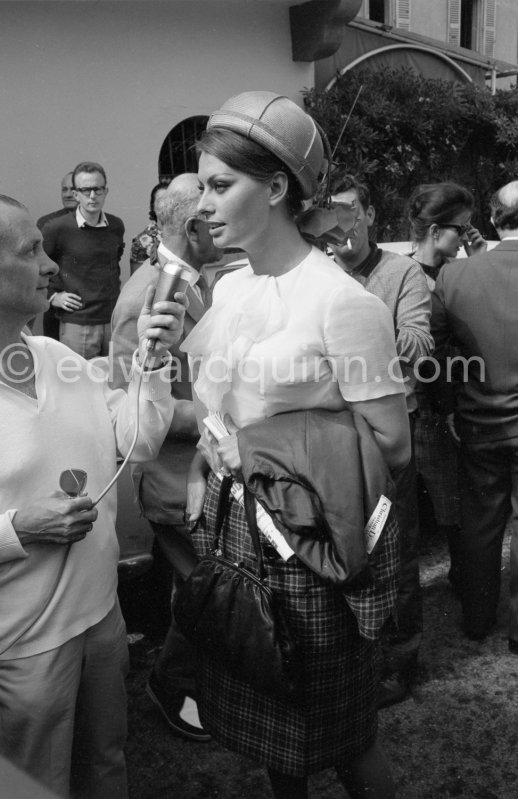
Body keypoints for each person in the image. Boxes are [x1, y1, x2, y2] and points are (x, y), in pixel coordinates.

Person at [181, 91, 411, 799]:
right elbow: (214, 408)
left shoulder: (343, 303)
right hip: (234, 535)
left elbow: (392, 444)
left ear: (277, 186)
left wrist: (256, 453)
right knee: (271, 727)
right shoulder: (228, 290)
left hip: (309, 545)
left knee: (343, 737)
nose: (203, 205)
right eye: (203, 187)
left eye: (222, 185)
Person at [0, 193, 186, 798]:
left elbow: (135, 440)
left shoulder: (58, 357)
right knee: (38, 783)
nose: (51, 266)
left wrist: (153, 362)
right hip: (22, 650)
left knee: (106, 764)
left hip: (102, 619)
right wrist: (17, 529)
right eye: (31, 250)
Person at [110, 172, 224, 742]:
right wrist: (228, 417)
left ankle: (189, 681)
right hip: (175, 481)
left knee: (205, 591)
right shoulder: (147, 296)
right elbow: (134, 406)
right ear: (194, 226)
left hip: (202, 476)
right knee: (206, 595)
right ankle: (172, 684)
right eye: (215, 212)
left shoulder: (193, 280)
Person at [325, 174, 433, 708]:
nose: (341, 223)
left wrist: (359, 318)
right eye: (332, 213)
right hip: (331, 432)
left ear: (369, 215)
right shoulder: (316, 272)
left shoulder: (401, 272)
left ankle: (400, 659)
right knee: (344, 543)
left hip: (388, 432)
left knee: (396, 546)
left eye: (350, 210)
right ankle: (353, 652)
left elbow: (419, 344)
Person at [429, 179, 518, 648]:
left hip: (479, 422)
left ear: (497, 220)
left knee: (481, 525)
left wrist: (449, 408)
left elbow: (439, 357)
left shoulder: (455, 277)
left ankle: (479, 619)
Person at [407, 182, 487, 590]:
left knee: (455, 501)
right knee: (448, 501)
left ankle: (462, 575)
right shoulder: (410, 278)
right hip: (430, 409)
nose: (466, 236)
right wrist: (446, 407)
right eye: (461, 228)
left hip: (450, 404)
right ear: (437, 231)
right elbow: (428, 358)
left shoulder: (453, 273)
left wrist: (477, 259)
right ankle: (462, 580)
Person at [43, 161, 125, 358]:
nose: (92, 196)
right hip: (77, 323)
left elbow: (113, 264)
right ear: (76, 194)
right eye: (85, 190)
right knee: (78, 382)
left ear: (106, 191)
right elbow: (37, 267)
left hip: (112, 320)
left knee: (114, 382)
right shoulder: (56, 228)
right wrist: (53, 297)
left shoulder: (115, 225)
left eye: (97, 189)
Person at [36, 170, 78, 340]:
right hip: (58, 312)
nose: (67, 194)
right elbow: (37, 266)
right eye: (64, 189)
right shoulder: (48, 224)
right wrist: (52, 296)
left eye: (72, 189)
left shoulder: (104, 225)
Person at [129, 178, 171, 275]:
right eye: (161, 201)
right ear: (152, 207)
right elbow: (136, 280)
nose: (166, 205)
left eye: (170, 200)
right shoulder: (141, 242)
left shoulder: (185, 234)